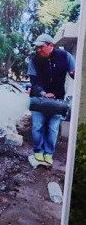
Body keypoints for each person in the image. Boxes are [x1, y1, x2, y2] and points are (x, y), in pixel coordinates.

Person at [28, 34, 75, 167]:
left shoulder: (65, 56)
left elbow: (74, 74)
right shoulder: (33, 60)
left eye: (41, 47)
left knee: (53, 128)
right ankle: (38, 150)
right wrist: (43, 93)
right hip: (39, 100)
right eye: (37, 47)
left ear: (51, 46)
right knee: (37, 127)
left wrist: (75, 74)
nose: (38, 50)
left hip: (58, 101)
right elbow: (34, 81)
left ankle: (48, 154)